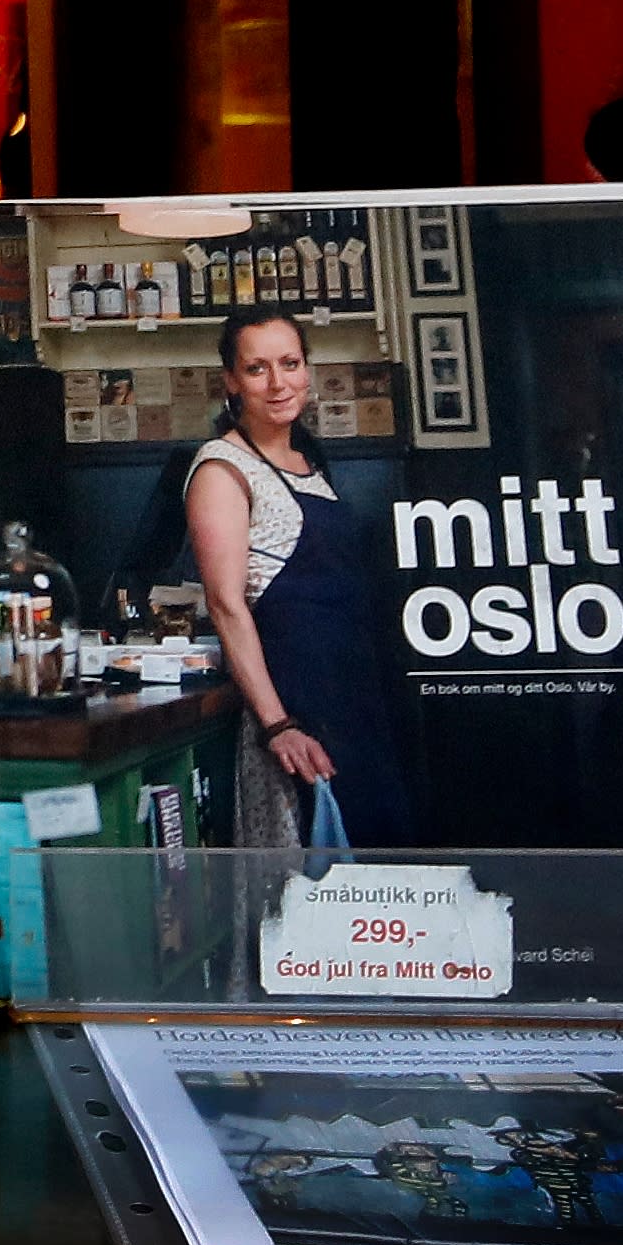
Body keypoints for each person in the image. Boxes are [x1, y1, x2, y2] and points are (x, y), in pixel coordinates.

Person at [179, 306, 404, 857]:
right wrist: (278, 725)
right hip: (296, 707)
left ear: (307, 368)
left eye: (290, 363)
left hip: (353, 696)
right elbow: (226, 604)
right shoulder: (221, 469)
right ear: (232, 381)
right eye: (257, 369)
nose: (278, 383)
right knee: (316, 872)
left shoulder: (310, 461)